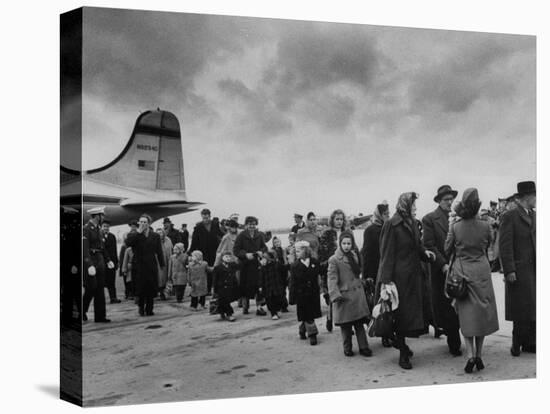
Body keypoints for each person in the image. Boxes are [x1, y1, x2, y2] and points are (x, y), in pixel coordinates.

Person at [377, 192, 436, 369]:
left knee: (409, 317)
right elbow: (386, 254)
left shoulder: (411, 222)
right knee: (399, 316)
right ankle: (403, 353)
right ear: (405, 206)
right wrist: (386, 281)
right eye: (413, 206)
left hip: (414, 277)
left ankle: (401, 345)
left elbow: (417, 246)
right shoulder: (391, 224)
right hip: (398, 280)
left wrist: (425, 253)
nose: (415, 209)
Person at [445, 188, 499, 373]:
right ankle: (480, 355)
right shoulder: (485, 225)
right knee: (482, 314)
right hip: (482, 272)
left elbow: (447, 248)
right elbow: (490, 244)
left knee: (467, 316)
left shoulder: (456, 226)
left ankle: (470, 356)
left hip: (463, 273)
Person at [422, 185, 462, 356]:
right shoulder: (430, 219)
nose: (449, 202)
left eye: (451, 199)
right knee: (446, 307)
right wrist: (443, 264)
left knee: (460, 303)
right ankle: (454, 342)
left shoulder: (458, 217)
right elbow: (429, 244)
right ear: (439, 201)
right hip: (441, 271)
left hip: (459, 267)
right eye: (446, 199)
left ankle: (457, 336)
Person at [499, 181, 536, 356]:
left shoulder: (535, 215)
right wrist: (509, 270)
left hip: (534, 269)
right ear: (526, 197)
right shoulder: (510, 216)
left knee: (533, 307)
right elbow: (505, 246)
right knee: (520, 308)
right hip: (519, 269)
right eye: (534, 195)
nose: (536, 199)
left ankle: (530, 342)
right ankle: (517, 343)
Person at [328, 231, 372, 357]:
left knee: (359, 324)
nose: (346, 246)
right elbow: (332, 279)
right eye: (344, 243)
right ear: (339, 243)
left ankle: (364, 347)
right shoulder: (334, 259)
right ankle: (347, 347)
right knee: (346, 327)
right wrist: (334, 294)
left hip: (356, 295)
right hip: (345, 297)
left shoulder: (354, 255)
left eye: (349, 243)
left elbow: (358, 272)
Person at [362, 202, 391, 346]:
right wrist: (367, 275)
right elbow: (366, 254)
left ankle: (389, 332)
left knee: (389, 302)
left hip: (389, 270)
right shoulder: (370, 230)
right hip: (375, 271)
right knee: (380, 304)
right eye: (385, 213)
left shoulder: (389, 228)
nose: (387, 215)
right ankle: (383, 333)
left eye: (388, 213)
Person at [126, 213, 165, 316]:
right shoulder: (134, 234)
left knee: (151, 287)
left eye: (145, 222)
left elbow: (159, 250)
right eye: (141, 222)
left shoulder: (155, 235)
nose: (143, 224)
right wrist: (138, 232)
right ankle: (140, 307)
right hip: (139, 265)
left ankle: (149, 309)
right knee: (140, 287)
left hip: (151, 264)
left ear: (149, 223)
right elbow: (128, 243)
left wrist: (162, 263)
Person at [319, 209, 350, 332]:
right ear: (332, 220)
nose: (339, 221)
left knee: (345, 294)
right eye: (337, 219)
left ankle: (347, 321)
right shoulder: (327, 234)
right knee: (333, 295)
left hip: (345, 268)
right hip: (331, 266)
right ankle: (329, 317)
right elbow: (322, 252)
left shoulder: (347, 232)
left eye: (341, 219)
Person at [82, 206, 115, 322]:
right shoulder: (86, 229)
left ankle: (100, 316)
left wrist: (108, 260)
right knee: (91, 288)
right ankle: (83, 309)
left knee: (100, 289)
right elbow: (84, 249)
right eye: (102, 216)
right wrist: (89, 264)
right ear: (97, 216)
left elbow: (102, 247)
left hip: (100, 260)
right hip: (91, 261)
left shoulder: (98, 229)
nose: (103, 218)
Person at [289, 241, 322, 345]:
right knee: (308, 316)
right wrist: (292, 297)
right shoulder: (295, 266)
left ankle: (302, 329)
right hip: (301, 294)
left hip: (313, 293)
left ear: (305, 251)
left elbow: (320, 272)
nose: (297, 253)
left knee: (308, 315)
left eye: (298, 251)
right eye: (296, 251)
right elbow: (292, 282)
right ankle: (313, 334)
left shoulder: (314, 262)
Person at [233, 216, 268, 315]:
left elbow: (264, 247)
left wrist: (261, 252)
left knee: (258, 286)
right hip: (245, 265)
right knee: (245, 286)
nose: (251, 226)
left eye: (253, 224)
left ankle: (259, 307)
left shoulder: (259, 235)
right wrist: (245, 254)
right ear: (246, 225)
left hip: (256, 264)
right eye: (249, 224)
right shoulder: (241, 236)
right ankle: (245, 306)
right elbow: (236, 250)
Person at [189, 208, 223, 293]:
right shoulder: (198, 226)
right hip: (203, 251)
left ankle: (213, 288)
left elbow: (220, 234)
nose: (205, 219)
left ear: (210, 216)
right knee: (205, 269)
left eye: (207, 217)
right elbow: (194, 240)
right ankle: (207, 289)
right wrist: (191, 251)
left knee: (213, 268)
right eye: (204, 218)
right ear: (201, 217)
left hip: (214, 250)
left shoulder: (215, 224)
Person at [212, 251, 239, 322]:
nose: (228, 258)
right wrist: (214, 290)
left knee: (225, 301)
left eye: (229, 257)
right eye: (226, 257)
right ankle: (229, 314)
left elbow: (239, 266)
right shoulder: (218, 268)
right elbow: (215, 279)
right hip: (221, 287)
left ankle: (222, 312)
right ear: (222, 258)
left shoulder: (232, 265)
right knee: (224, 300)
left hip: (230, 286)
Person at [260, 251, 285, 320]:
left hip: (277, 285)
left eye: (265, 258)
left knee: (278, 298)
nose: (263, 259)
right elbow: (261, 277)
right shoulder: (263, 267)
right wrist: (260, 286)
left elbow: (283, 272)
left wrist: (282, 282)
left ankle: (278, 309)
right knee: (270, 300)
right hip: (268, 286)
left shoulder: (277, 264)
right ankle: (273, 313)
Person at [100, 220, 121, 304]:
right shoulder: (98, 236)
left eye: (107, 226)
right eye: (104, 226)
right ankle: (100, 299)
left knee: (111, 281)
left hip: (111, 263)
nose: (106, 228)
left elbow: (114, 250)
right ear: (102, 227)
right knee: (101, 282)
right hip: (102, 262)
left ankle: (113, 297)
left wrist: (116, 262)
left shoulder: (112, 236)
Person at [119, 220, 138, 299]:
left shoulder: (138, 234)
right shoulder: (127, 235)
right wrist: (122, 266)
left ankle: (134, 293)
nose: (133, 227)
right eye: (132, 226)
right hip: (127, 259)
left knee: (135, 279)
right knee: (126, 278)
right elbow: (122, 255)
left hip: (135, 259)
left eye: (135, 226)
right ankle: (128, 293)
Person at [271, 236, 289, 312]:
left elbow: (286, 260)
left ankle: (284, 305)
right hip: (276, 271)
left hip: (283, 270)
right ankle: (281, 305)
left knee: (284, 288)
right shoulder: (272, 251)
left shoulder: (283, 250)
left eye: (278, 242)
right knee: (279, 289)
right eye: (275, 242)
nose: (277, 243)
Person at [156, 228, 173, 300]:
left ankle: (166, 292)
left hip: (167, 261)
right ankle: (160, 292)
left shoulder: (168, 240)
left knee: (167, 276)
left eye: (161, 233)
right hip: (158, 262)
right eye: (158, 233)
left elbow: (171, 249)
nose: (160, 234)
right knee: (159, 277)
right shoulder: (154, 241)